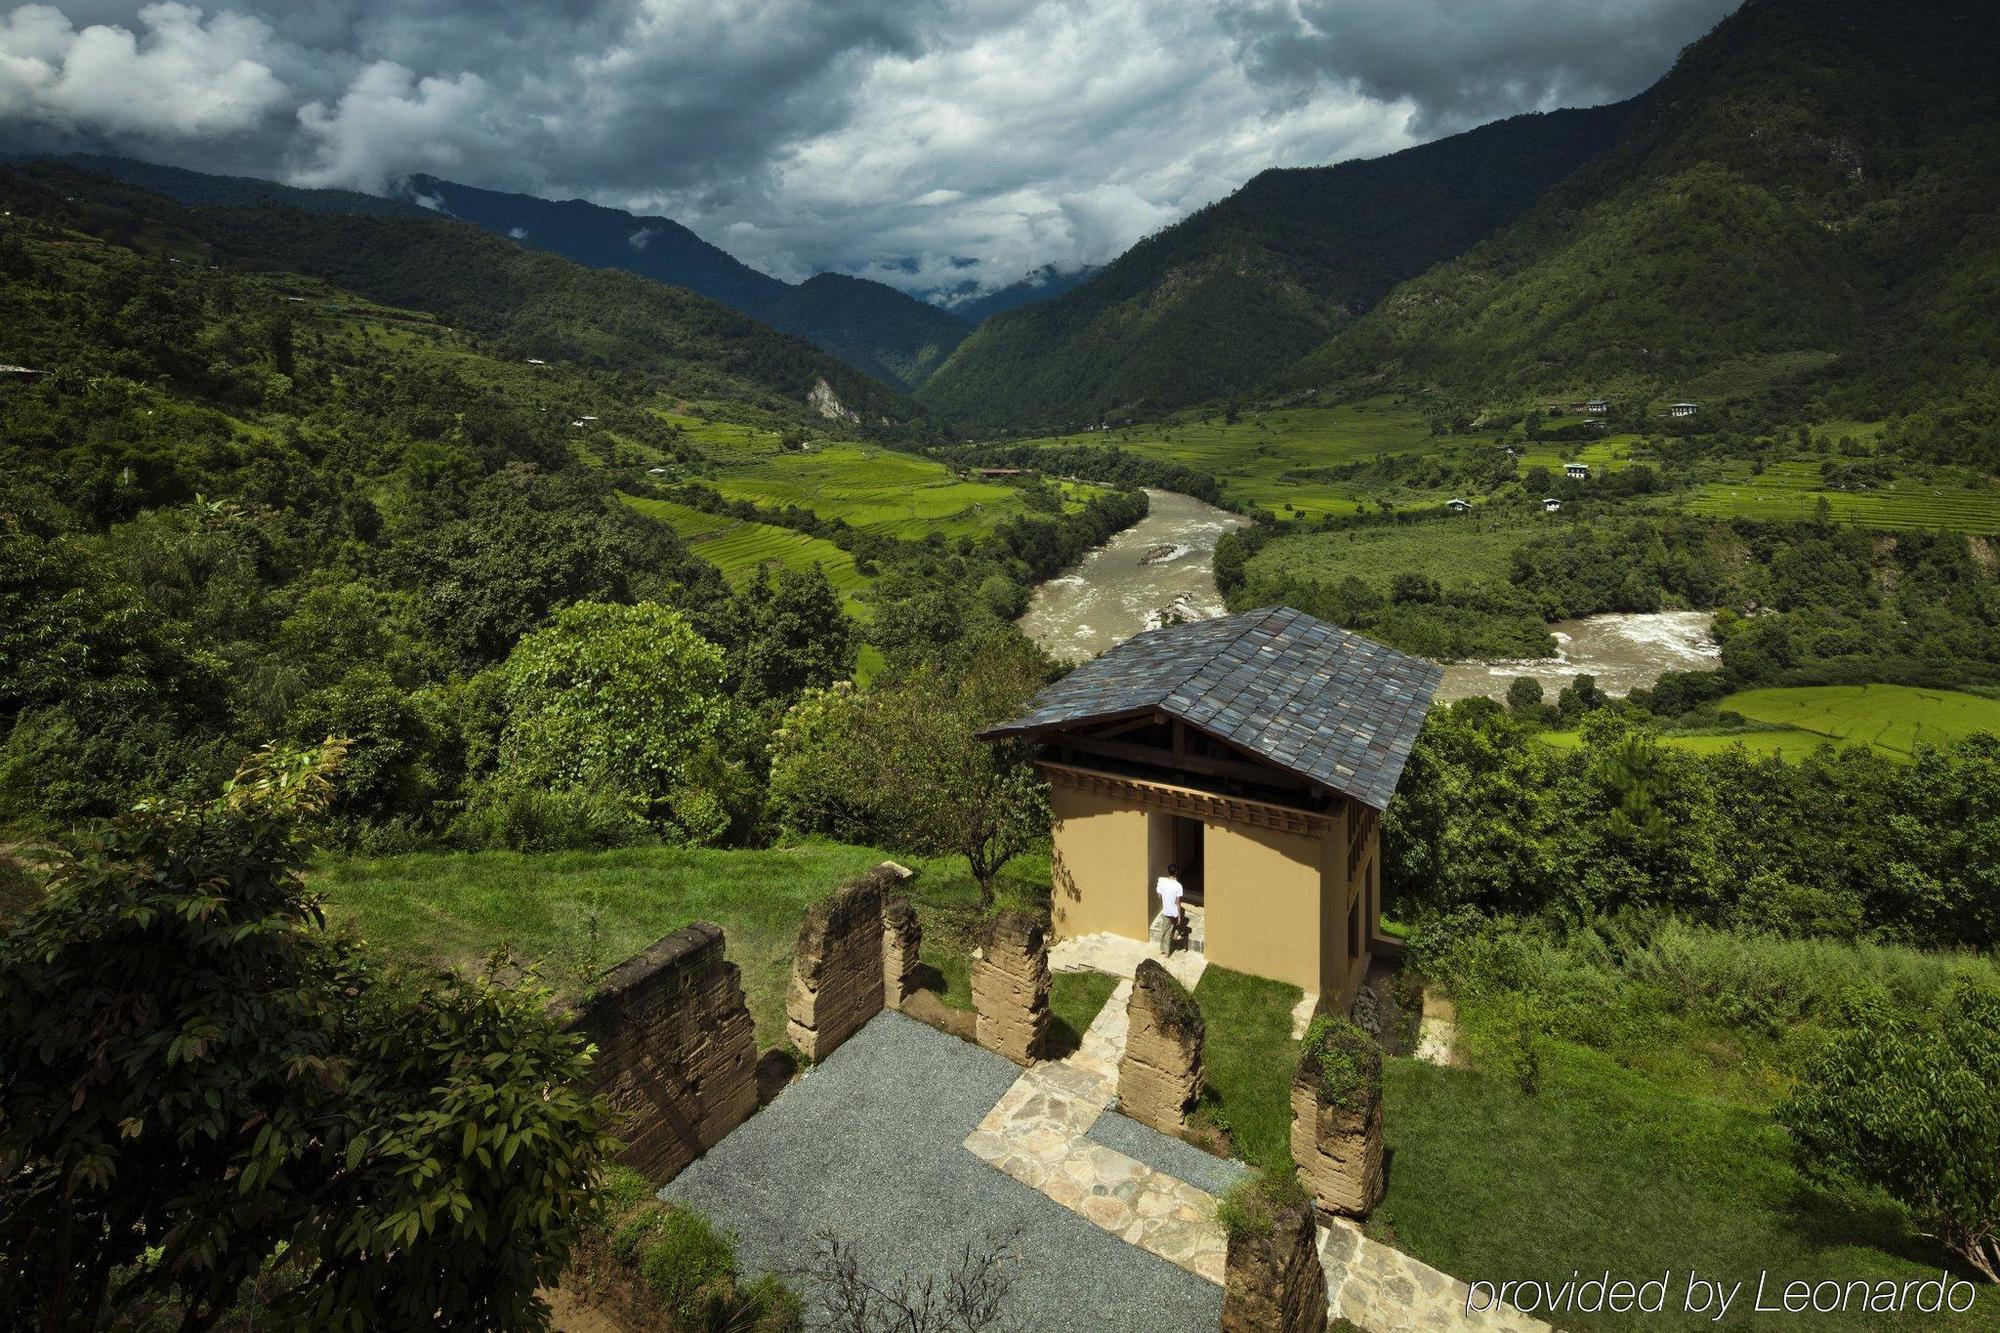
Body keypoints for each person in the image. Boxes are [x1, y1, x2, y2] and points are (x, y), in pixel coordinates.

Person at [1155, 862, 1188, 956]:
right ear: (1176, 872)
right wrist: (1179, 916)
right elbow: (1178, 902)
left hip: (1166, 910)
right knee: (1173, 929)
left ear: (1167, 871)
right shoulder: (1178, 886)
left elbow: (1159, 895)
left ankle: (1163, 949)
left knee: (1164, 930)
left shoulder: (1162, 882)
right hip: (1173, 912)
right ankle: (1167, 951)